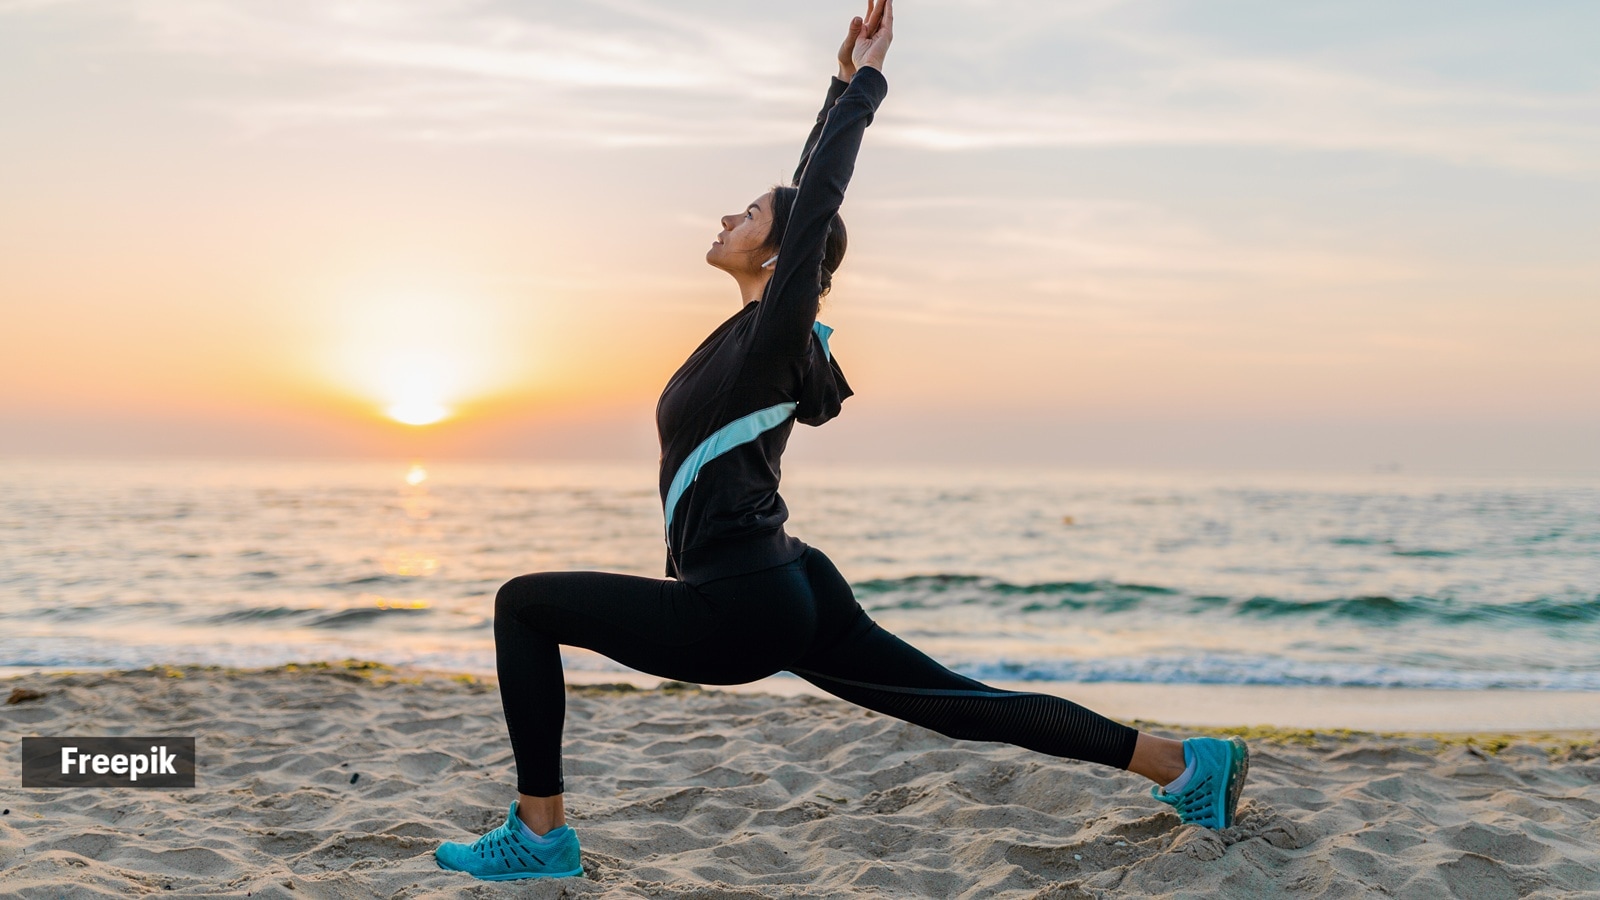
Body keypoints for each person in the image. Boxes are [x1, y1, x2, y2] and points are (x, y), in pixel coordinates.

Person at [435, 0, 1246, 881]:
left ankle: (541, 835)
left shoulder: (776, 334)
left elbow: (816, 199)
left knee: (523, 605)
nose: (727, 218)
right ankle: (1183, 764)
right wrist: (837, 81)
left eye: (748, 214)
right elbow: (802, 198)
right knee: (957, 705)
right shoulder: (755, 334)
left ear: (779, 257)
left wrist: (866, 86)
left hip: (738, 603)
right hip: (787, 580)